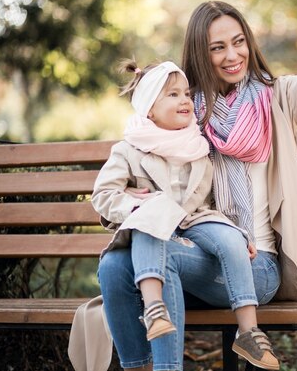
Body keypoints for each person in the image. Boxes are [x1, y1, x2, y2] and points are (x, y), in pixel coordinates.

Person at [75, 1, 297, 371]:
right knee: (114, 265)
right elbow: (146, 166)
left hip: (255, 265)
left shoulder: (276, 98)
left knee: (152, 258)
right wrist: (141, 200)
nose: (232, 55)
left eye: (238, 42)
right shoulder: (184, 111)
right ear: (201, 53)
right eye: (218, 47)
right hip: (192, 250)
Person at [91, 59, 280, 370]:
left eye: (186, 94)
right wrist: (139, 206)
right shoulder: (128, 149)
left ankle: (248, 333)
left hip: (195, 224)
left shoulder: (197, 144)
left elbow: (203, 200)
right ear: (149, 109)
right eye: (172, 95)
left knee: (231, 239)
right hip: (151, 228)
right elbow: (103, 196)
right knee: (118, 258)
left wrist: (239, 233)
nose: (184, 101)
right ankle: (144, 352)